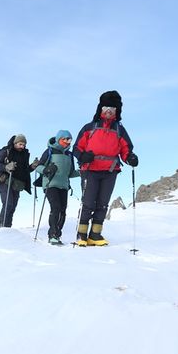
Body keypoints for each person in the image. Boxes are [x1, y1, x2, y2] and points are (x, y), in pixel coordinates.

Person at [72, 90, 138, 246]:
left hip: (110, 171)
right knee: (88, 203)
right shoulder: (89, 127)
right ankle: (81, 235)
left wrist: (130, 158)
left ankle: (95, 235)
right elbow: (76, 147)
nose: (109, 111)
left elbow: (126, 149)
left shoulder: (119, 130)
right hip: (90, 169)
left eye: (113, 108)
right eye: (106, 107)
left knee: (103, 203)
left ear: (117, 111)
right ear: (100, 109)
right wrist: (82, 156)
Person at [33, 131, 78, 245]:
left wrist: (82, 172)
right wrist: (46, 170)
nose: (68, 142)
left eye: (69, 140)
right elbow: (38, 167)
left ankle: (57, 235)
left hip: (64, 186)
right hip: (50, 184)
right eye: (65, 139)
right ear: (59, 139)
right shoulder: (49, 151)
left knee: (63, 210)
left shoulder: (69, 154)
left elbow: (70, 173)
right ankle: (52, 234)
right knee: (56, 207)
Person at [0, 134, 31, 227]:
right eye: (20, 144)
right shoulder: (6, 151)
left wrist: (32, 167)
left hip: (17, 183)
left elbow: (25, 170)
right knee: (8, 204)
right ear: (15, 143)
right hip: (5, 181)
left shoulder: (24, 154)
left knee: (13, 206)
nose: (22, 147)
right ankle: (2, 224)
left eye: (24, 145)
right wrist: (6, 167)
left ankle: (8, 226)